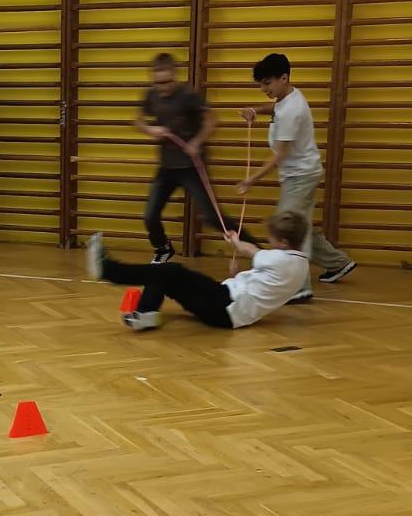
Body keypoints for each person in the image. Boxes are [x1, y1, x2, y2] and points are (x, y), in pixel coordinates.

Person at [237, 53, 356, 299]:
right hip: (302, 173)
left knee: (288, 229)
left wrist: (252, 179)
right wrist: (256, 110)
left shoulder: (292, 109)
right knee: (301, 225)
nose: (263, 89)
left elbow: (279, 155)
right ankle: (338, 263)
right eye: (260, 84)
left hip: (300, 176)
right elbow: (276, 109)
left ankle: (299, 288)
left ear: (283, 78)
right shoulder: (286, 98)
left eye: (267, 83)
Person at [86, 212, 310, 331]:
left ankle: (109, 270)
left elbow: (249, 250)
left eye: (272, 239)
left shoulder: (279, 259)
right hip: (229, 306)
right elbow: (267, 287)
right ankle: (146, 314)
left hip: (225, 306)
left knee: (170, 271)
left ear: (283, 242)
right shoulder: (300, 266)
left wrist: (235, 241)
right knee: (168, 274)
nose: (270, 243)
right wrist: (239, 277)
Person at [135, 52, 223, 262]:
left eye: (166, 82)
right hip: (167, 167)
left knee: (213, 218)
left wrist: (197, 141)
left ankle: (256, 251)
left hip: (191, 166)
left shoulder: (188, 95)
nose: (162, 88)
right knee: (150, 216)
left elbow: (212, 120)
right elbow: (137, 121)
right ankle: (163, 248)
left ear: (174, 76)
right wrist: (150, 130)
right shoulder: (151, 95)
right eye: (158, 83)